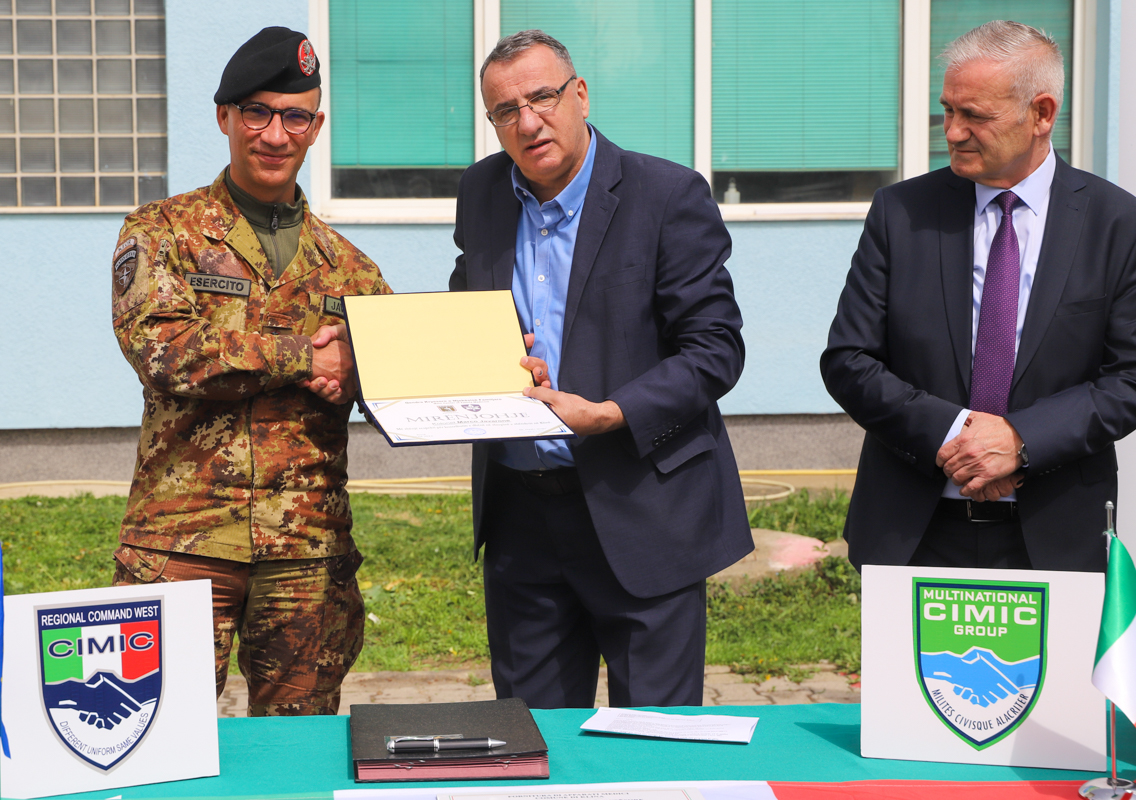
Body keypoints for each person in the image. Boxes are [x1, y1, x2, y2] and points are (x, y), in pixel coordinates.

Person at [450, 30, 753, 709]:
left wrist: (610, 414)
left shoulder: (666, 194)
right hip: (521, 518)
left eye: (543, 97)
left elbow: (715, 348)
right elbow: (467, 305)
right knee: (534, 740)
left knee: (653, 745)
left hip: (642, 504)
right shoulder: (482, 191)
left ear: (580, 95)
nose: (528, 122)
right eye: (506, 111)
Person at [109, 26, 390, 715]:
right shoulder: (162, 232)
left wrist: (491, 366)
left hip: (307, 549)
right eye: (257, 112)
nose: (275, 134)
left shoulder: (349, 267)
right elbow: (162, 349)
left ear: (315, 128)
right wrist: (306, 356)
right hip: (183, 539)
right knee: (155, 734)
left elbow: (396, 378)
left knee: (296, 752)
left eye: (295, 117)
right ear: (224, 117)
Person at [821, 20, 1136, 572]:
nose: (952, 131)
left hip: (1057, 536)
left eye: (975, 115)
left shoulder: (1117, 222)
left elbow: (1128, 378)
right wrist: (956, 438)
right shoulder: (902, 213)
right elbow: (849, 360)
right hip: (911, 531)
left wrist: (1020, 440)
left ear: (1042, 114)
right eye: (947, 110)